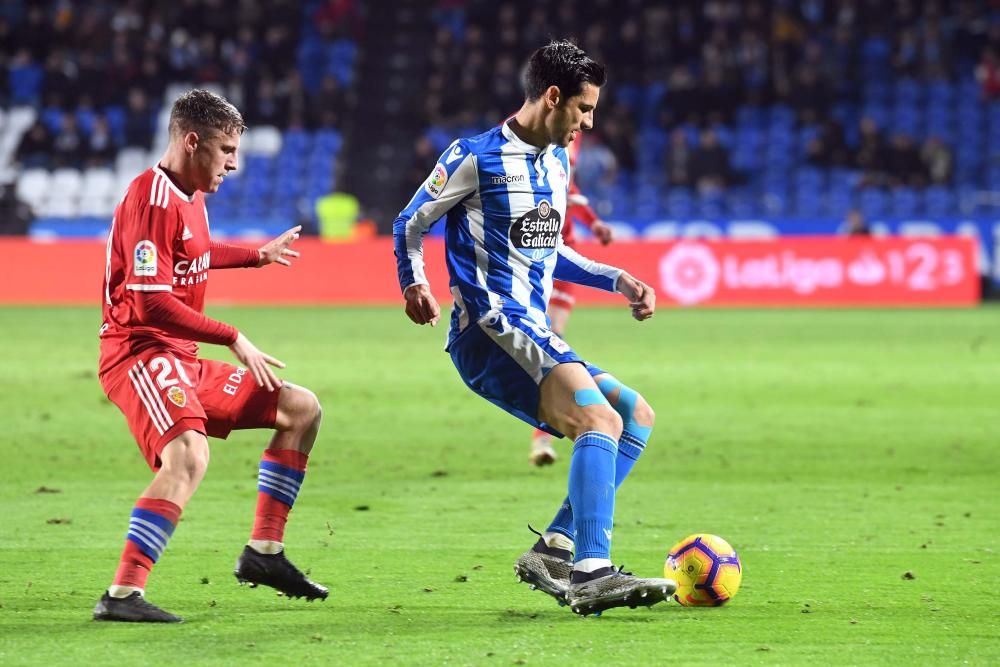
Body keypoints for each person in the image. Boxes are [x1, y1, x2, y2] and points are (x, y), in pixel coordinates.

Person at [392, 41, 675, 616]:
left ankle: (556, 548)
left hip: (530, 326)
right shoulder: (475, 157)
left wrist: (617, 278)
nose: (587, 122)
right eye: (584, 109)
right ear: (552, 97)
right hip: (489, 329)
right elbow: (409, 223)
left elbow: (550, 250)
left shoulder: (556, 160)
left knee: (634, 415)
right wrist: (414, 283)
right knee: (598, 417)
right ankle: (593, 572)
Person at [94, 89, 327, 623]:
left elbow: (194, 252)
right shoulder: (150, 200)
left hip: (179, 357)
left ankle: (263, 555)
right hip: (139, 352)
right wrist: (232, 336)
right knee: (189, 457)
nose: (234, 163)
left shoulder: (189, 195)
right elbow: (151, 303)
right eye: (225, 150)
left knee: (300, 409)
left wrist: (254, 257)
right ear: (191, 141)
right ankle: (122, 594)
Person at [529, 131, 614, 467]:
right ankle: (548, 425)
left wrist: (593, 224)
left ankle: (544, 435)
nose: (586, 120)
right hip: (532, 246)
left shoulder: (572, 137)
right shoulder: (529, 132)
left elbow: (567, 186)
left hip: (565, 246)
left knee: (554, 341)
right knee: (542, 345)